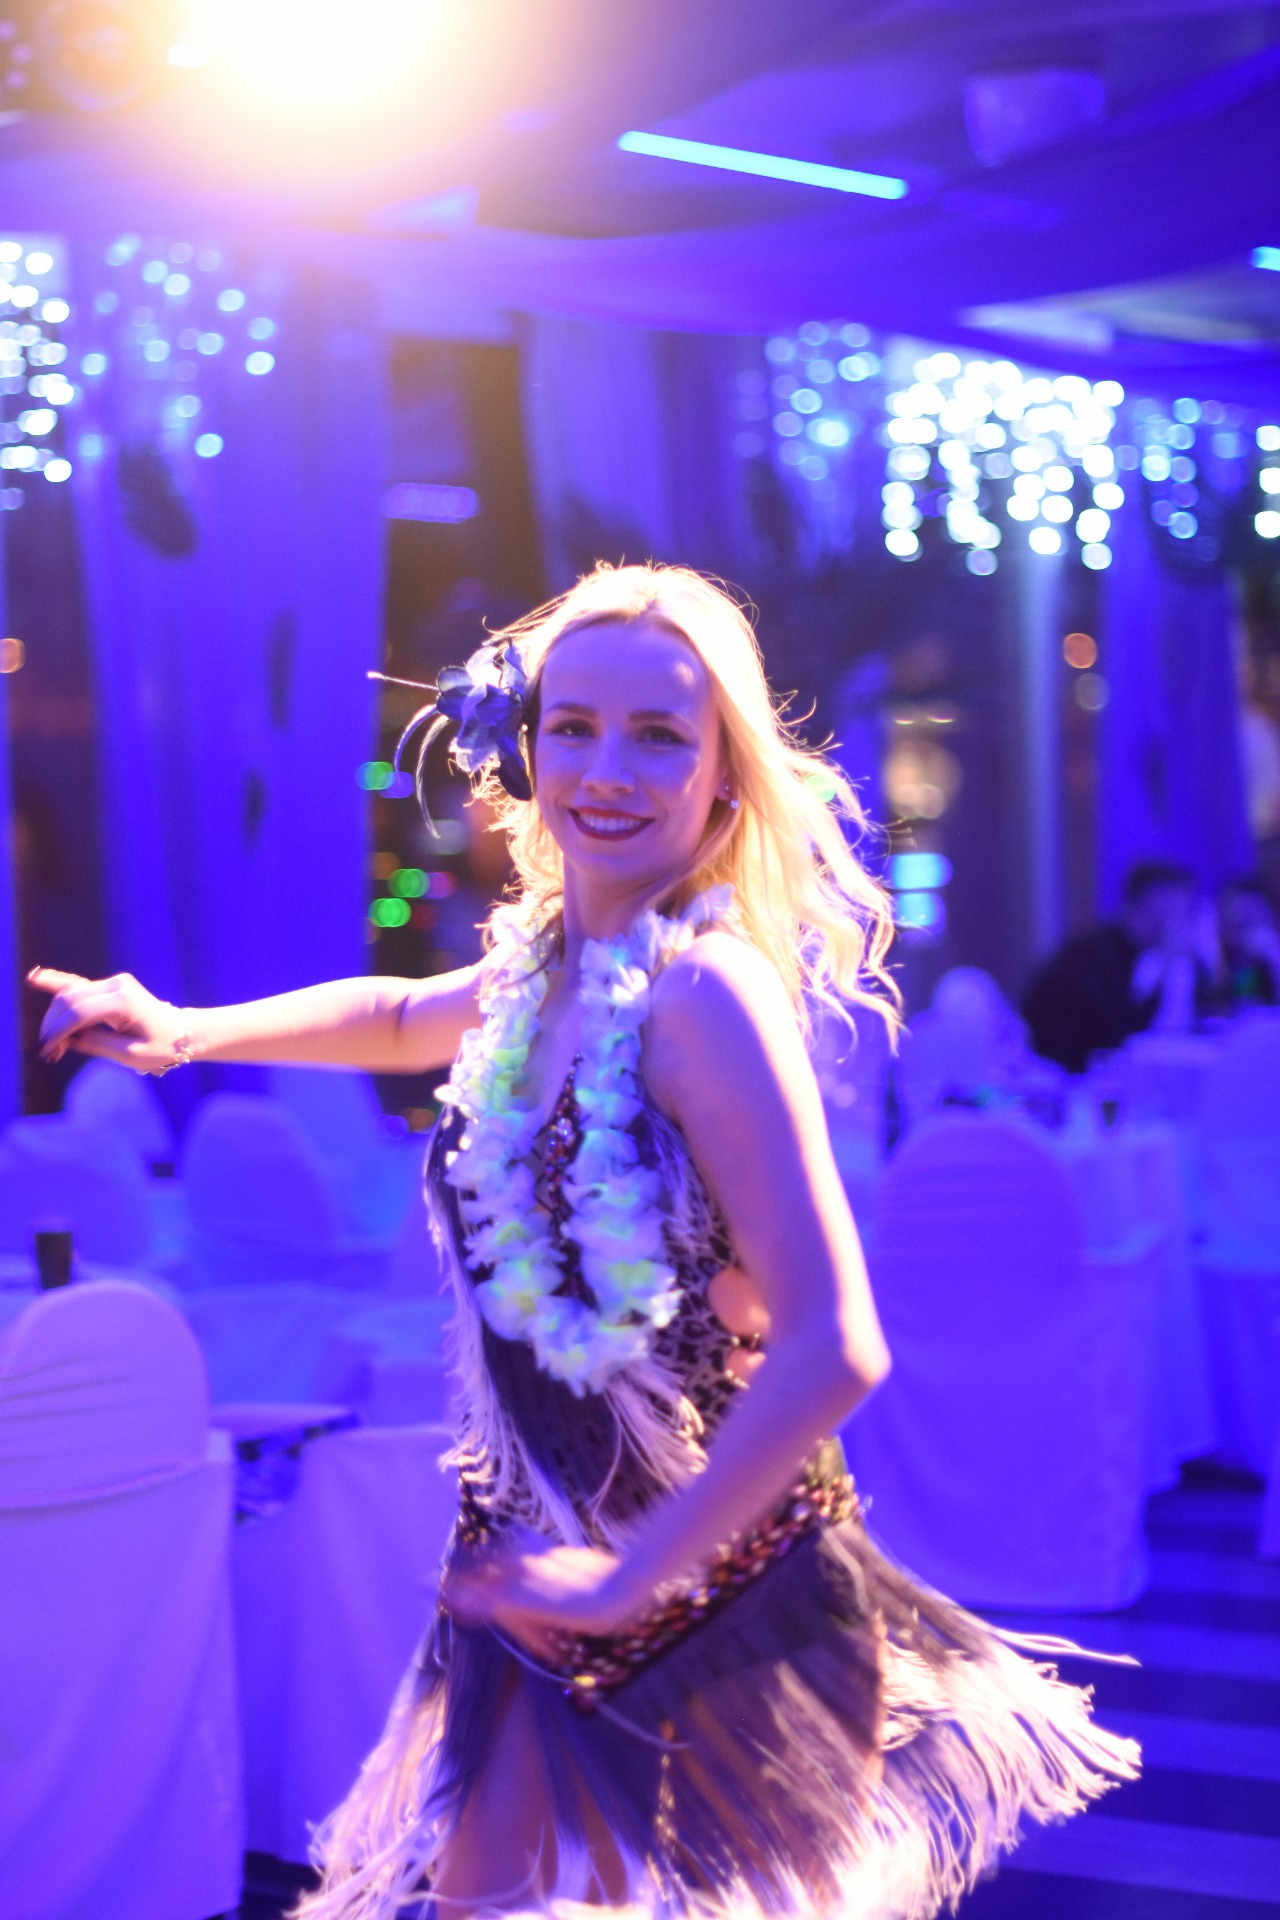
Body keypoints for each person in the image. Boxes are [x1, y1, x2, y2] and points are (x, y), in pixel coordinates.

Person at [32, 564, 1137, 1920]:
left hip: (721, 1588)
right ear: (527, 749)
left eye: (658, 735)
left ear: (723, 775)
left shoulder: (704, 995)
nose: (605, 770)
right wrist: (186, 1030)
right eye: (573, 727)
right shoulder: (546, 964)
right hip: (539, 1562)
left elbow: (836, 1343)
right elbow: (397, 1015)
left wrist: (631, 1575)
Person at [1022, 859, 1215, 1074]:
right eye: (1184, 907)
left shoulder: (1133, 954)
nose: (1188, 918)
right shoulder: (1093, 958)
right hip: (1059, 1076)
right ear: (1156, 903)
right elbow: (1121, 1039)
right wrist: (1167, 961)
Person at [1214, 875, 1280, 1012]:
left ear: (1270, 916)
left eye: (1249, 917)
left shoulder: (1272, 956)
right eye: (1231, 914)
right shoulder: (1212, 959)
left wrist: (1274, 956)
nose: (1238, 918)